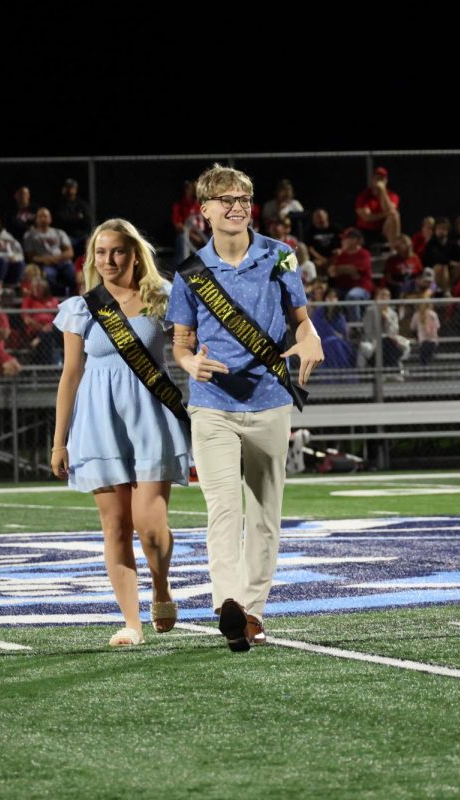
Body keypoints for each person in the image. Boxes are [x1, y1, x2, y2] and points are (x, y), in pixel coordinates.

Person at [167, 163, 324, 653]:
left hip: (271, 400)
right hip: (211, 403)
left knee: (264, 515)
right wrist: (190, 364)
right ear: (205, 210)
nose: (237, 208)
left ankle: (252, 611)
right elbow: (181, 344)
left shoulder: (281, 257)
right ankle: (228, 602)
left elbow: (301, 322)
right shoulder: (190, 273)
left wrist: (312, 337)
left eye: (244, 200)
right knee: (222, 508)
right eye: (226, 200)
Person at [51, 218, 190, 646]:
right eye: (100, 252)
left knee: (150, 526)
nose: (108, 260)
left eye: (117, 252)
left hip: (150, 416)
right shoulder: (82, 307)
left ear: (134, 255)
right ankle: (131, 622)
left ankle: (161, 587)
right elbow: (70, 375)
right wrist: (59, 441)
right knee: (114, 527)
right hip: (98, 421)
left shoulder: (162, 298)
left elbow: (188, 349)